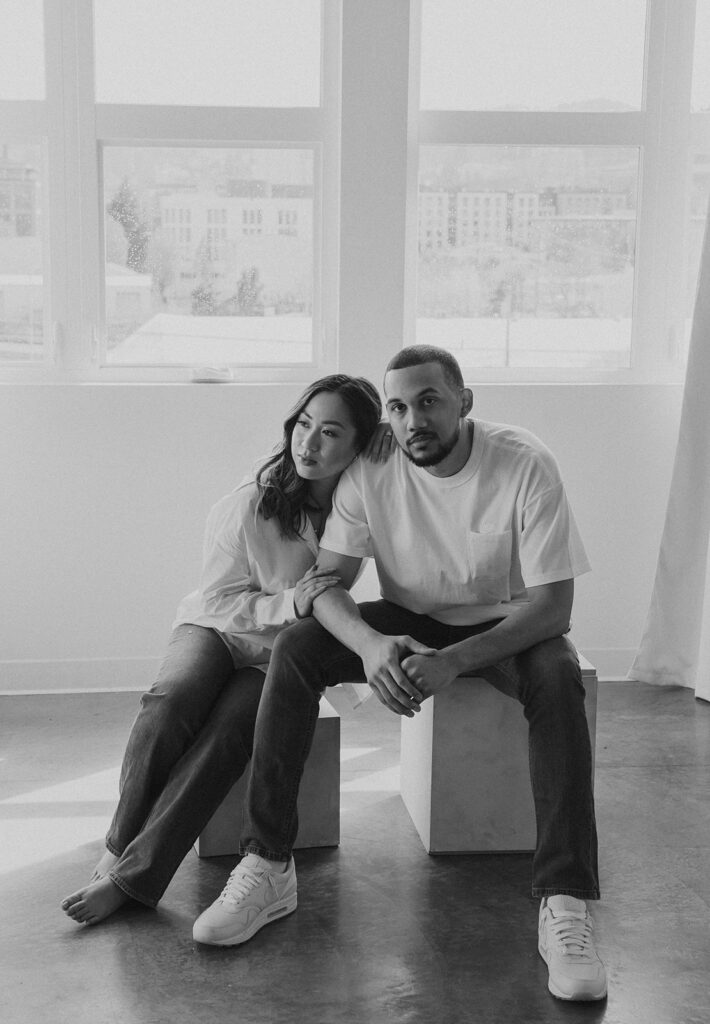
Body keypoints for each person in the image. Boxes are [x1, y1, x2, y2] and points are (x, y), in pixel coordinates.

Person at [192, 345, 607, 1003]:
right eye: (397, 405)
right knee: (301, 644)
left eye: (428, 401)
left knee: (560, 680)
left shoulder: (524, 462)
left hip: (506, 626)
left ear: (464, 401)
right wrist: (372, 645)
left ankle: (566, 902)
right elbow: (324, 581)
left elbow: (555, 607)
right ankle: (268, 863)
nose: (411, 419)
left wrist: (454, 663)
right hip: (410, 617)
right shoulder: (375, 467)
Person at [60, 373, 383, 926]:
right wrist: (290, 606)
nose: (308, 444)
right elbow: (218, 598)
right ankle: (116, 849)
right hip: (216, 627)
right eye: (303, 425)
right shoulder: (250, 503)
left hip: (279, 653)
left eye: (329, 433)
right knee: (174, 699)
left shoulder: (360, 510)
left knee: (229, 736)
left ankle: (133, 880)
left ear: (359, 445)